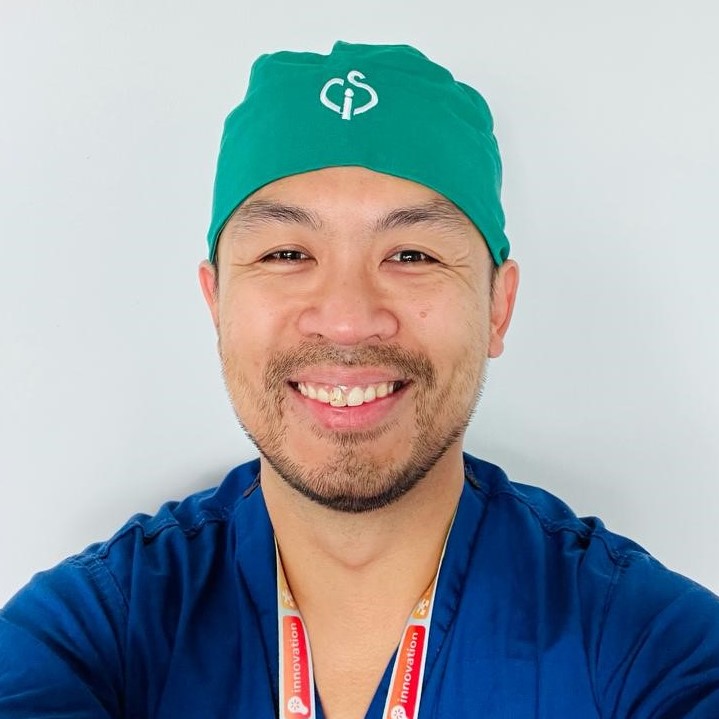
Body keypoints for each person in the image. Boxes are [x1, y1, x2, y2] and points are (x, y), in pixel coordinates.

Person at [0, 40, 717, 719]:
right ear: (216, 303)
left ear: (497, 307)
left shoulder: (646, 643)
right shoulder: (87, 633)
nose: (346, 321)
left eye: (412, 255)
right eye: (286, 254)